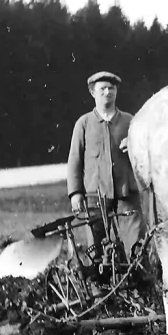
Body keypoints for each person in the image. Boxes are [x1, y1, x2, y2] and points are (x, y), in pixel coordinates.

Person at [67, 71, 145, 259]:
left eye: (111, 88)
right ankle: (99, 278)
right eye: (102, 89)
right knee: (96, 246)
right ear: (93, 93)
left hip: (127, 193)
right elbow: (74, 161)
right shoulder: (84, 123)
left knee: (136, 242)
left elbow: (144, 155)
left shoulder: (130, 121)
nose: (107, 92)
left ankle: (138, 276)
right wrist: (76, 193)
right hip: (96, 195)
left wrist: (134, 146)